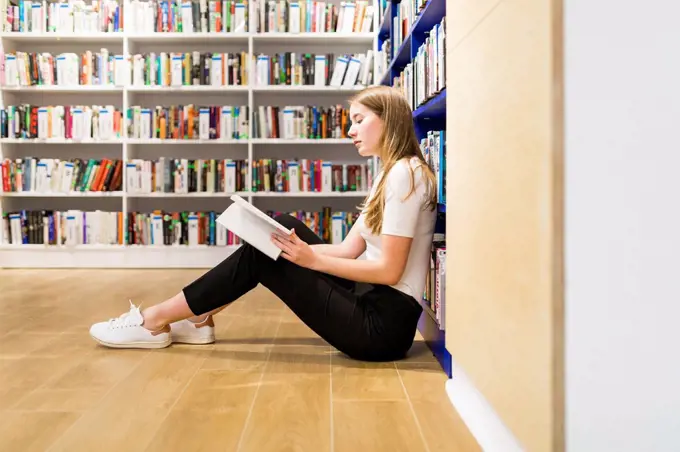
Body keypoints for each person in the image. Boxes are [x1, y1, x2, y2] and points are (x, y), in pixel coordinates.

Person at [89, 85, 438, 362]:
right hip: (372, 300)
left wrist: (309, 260)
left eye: (359, 120)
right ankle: (196, 319)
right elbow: (349, 250)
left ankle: (156, 319)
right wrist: (288, 247)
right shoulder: (390, 174)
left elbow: (390, 271)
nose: (350, 130)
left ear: (388, 118)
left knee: (264, 254)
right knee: (280, 230)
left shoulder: (407, 175)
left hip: (382, 329)